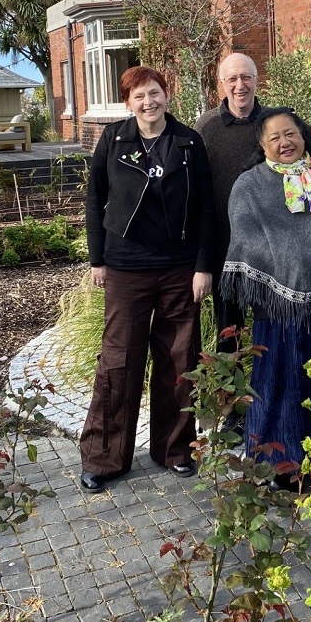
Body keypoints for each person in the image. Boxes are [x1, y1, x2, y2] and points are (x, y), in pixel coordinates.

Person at [78, 66, 214, 492]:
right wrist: (97, 258)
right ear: (128, 103)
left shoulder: (190, 143)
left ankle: (175, 451)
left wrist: (203, 266)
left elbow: (208, 209)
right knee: (119, 361)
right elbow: (96, 197)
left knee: (179, 359)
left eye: (154, 93)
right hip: (125, 267)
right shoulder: (113, 140)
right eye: (139, 96)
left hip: (179, 268)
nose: (148, 102)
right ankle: (104, 458)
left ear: (166, 95)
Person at [221, 108, 311, 487]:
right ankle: (279, 466)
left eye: (291, 133)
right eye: (275, 137)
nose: (285, 142)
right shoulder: (250, 185)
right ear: (262, 144)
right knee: (277, 383)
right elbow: (246, 239)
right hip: (272, 305)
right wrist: (283, 269)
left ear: (303, 136)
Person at [194, 53, 262, 352]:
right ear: (221, 83)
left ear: (256, 81)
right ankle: (227, 395)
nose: (239, 85)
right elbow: (195, 191)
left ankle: (266, 395)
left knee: (268, 330)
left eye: (246, 77)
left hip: (267, 249)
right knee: (228, 335)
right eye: (232, 79)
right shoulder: (206, 127)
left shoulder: (274, 122)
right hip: (224, 247)